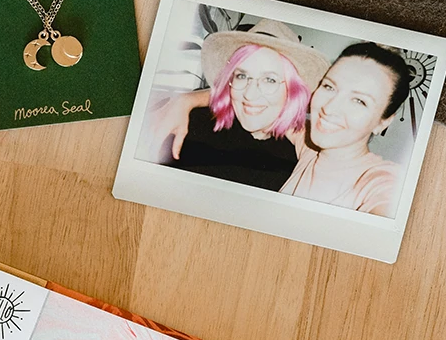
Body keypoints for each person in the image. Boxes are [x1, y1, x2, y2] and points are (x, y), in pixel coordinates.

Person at [162, 19, 331, 190]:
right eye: (242, 76)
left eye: (269, 80)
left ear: (292, 91)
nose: (249, 95)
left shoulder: (298, 159)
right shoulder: (188, 125)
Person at [281, 42, 414, 216]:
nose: (329, 108)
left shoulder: (382, 182)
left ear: (383, 122)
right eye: (329, 87)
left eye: (359, 101)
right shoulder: (309, 149)